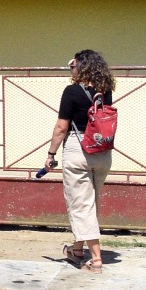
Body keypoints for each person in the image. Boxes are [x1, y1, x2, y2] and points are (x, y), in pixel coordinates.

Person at [45, 49, 115, 274]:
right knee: (89, 203)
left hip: (79, 150)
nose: (71, 69)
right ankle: (76, 250)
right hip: (102, 151)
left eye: (73, 66)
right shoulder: (105, 90)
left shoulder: (71, 91)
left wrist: (51, 154)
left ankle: (96, 260)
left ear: (80, 67)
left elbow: (61, 127)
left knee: (81, 204)